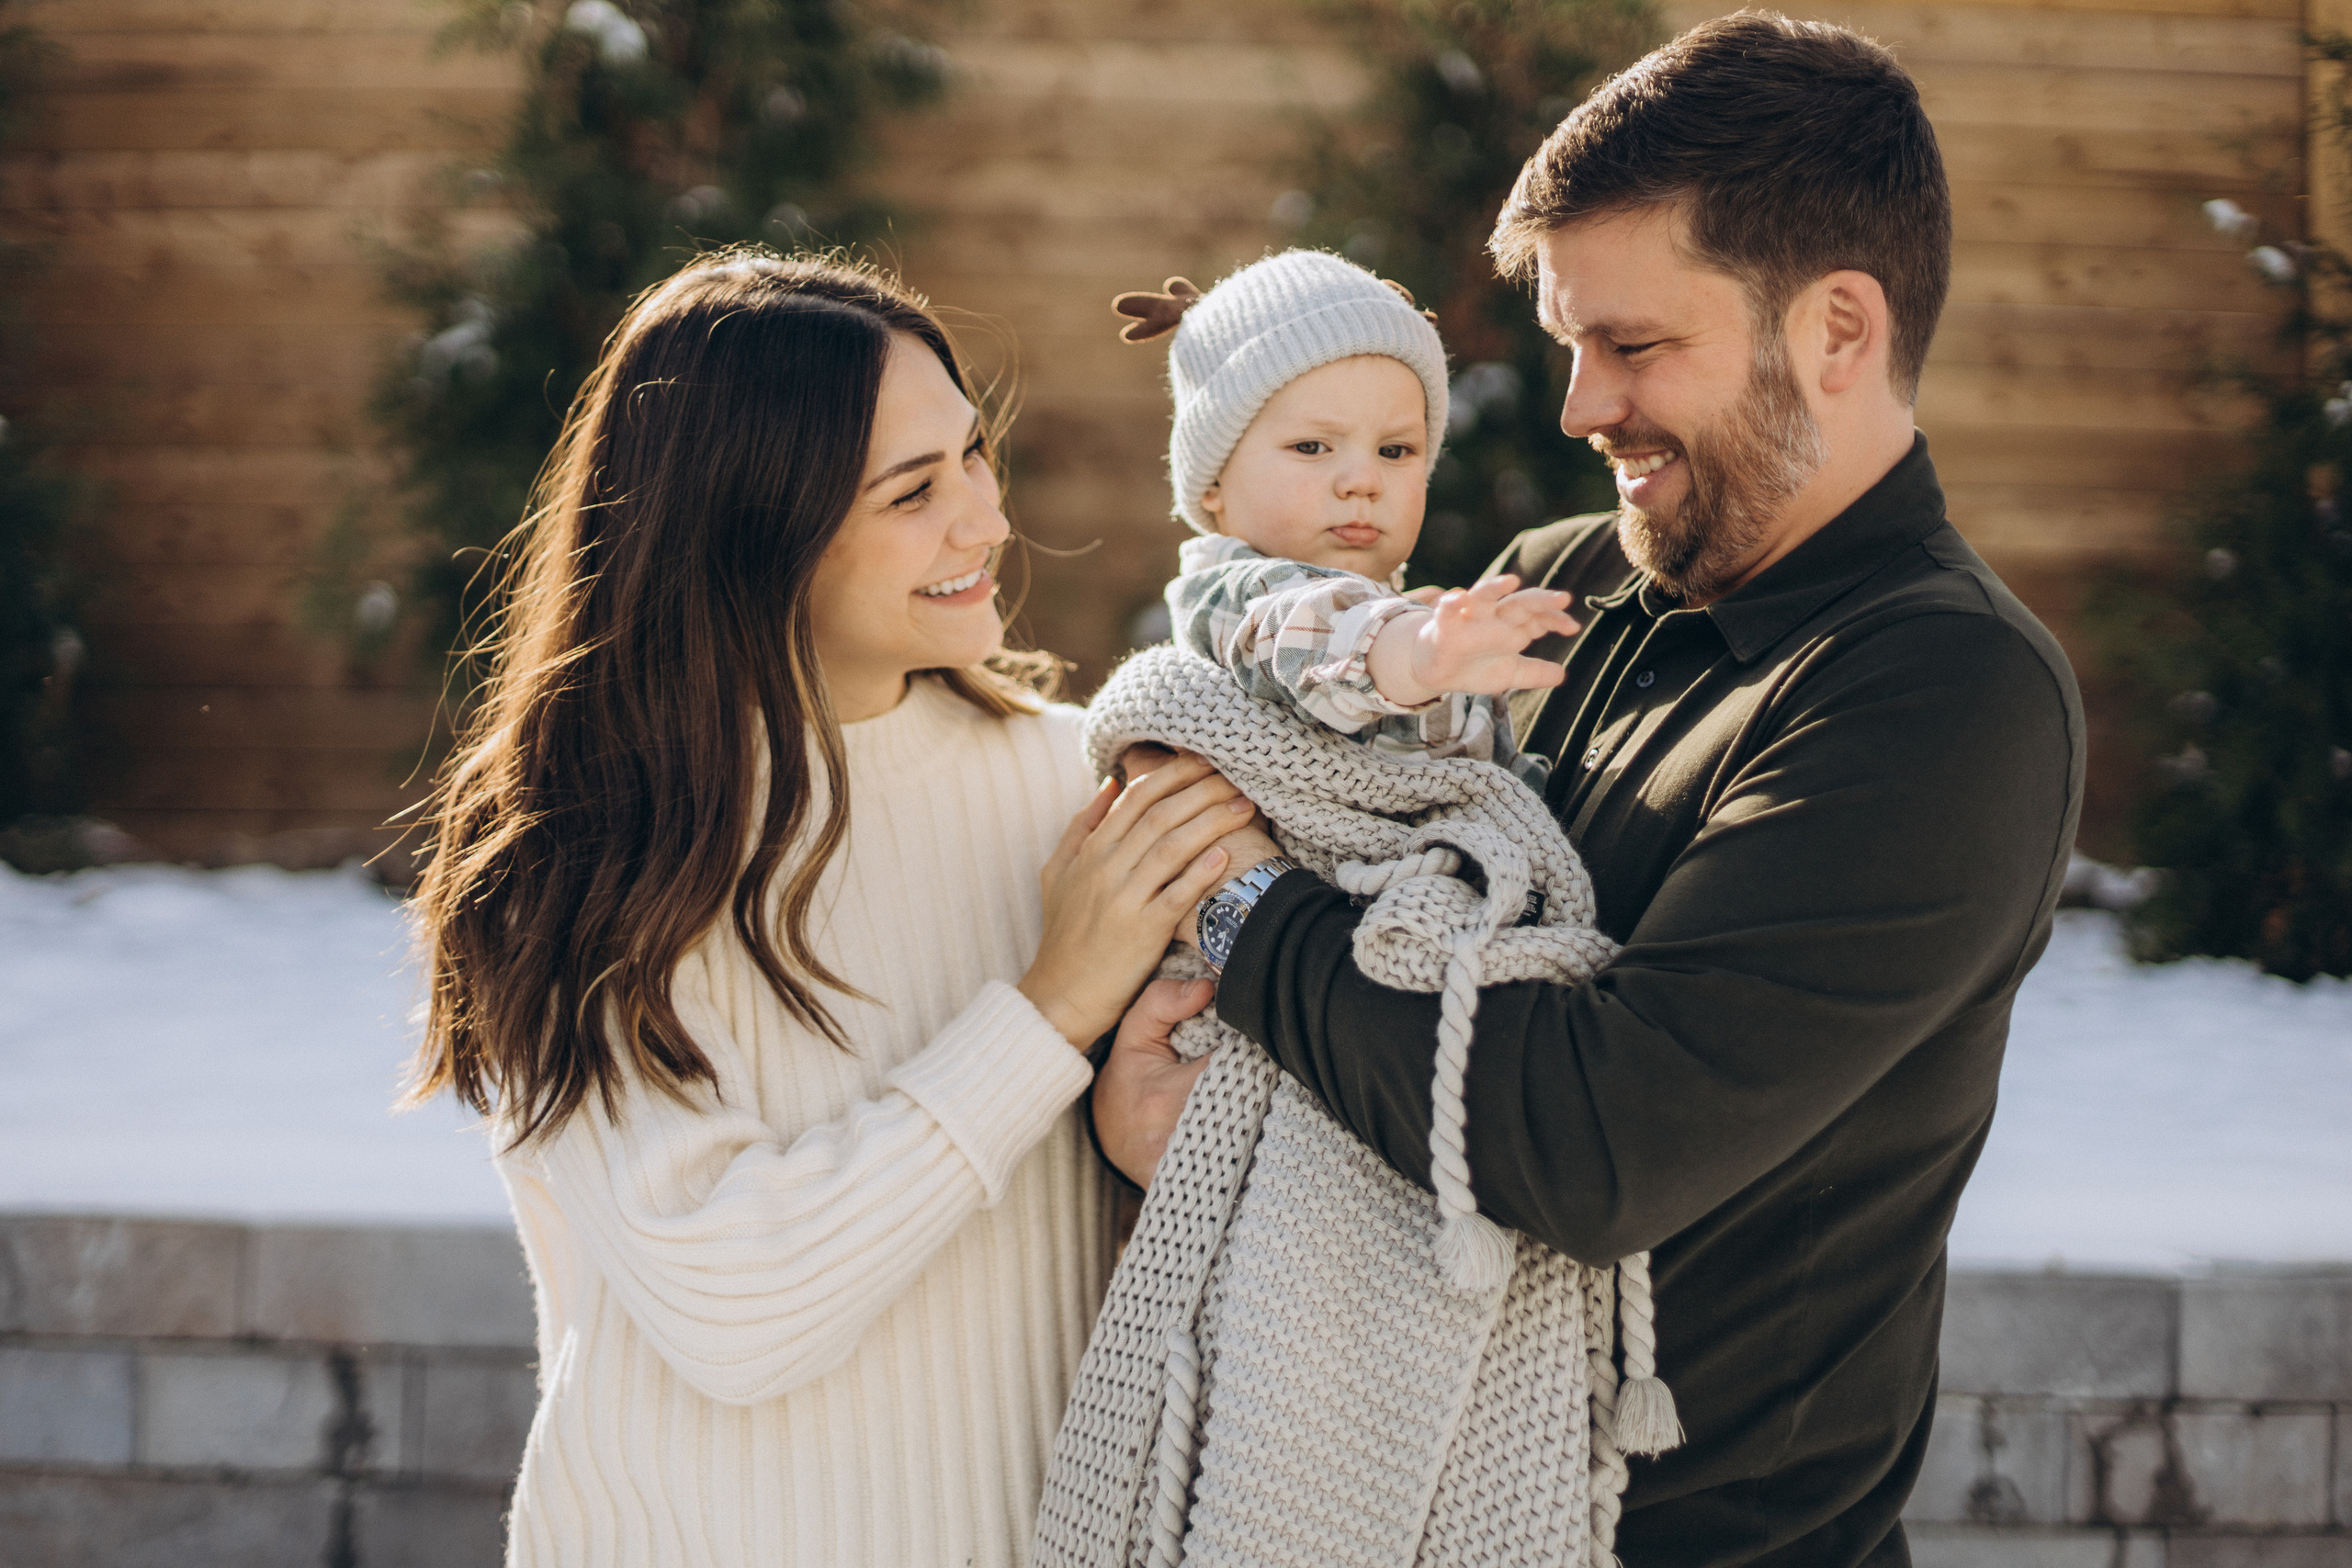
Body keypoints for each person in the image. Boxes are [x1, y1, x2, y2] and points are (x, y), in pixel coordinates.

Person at [1094, 16, 2086, 1565]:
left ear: (1836, 330)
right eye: (1569, 342)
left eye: (1633, 345)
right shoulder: (1561, 589)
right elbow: (1371, 895)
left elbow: (1585, 1140)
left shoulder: (1943, 696)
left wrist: (1223, 901)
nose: (1575, 406)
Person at [403, 253, 1256, 1568]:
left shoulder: (1083, 787)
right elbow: (735, 1303)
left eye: (975, 457)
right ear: (751, 526)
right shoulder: (588, 848)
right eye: (913, 491)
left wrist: (1144, 1156)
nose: (984, 521)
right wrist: (1053, 1007)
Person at [1117, 249, 1577, 788]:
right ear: (1214, 481)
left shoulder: (1409, 615)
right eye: (1312, 447)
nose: (1363, 481)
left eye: (1395, 451)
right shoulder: (1229, 598)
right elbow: (1300, 633)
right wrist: (1414, 652)